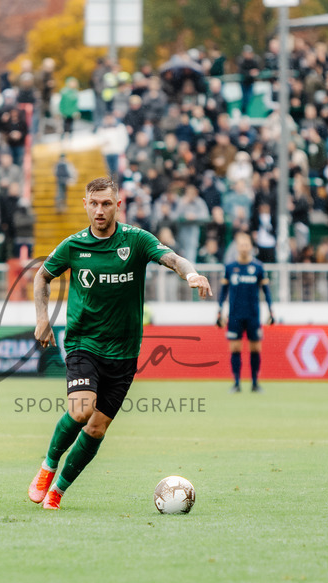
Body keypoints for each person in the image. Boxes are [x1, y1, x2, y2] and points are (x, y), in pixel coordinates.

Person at [29, 176, 212, 510]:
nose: (100, 211)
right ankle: (48, 465)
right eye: (94, 204)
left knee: (97, 429)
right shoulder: (74, 246)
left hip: (125, 352)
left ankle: (58, 490)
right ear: (85, 204)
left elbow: (173, 258)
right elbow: (42, 275)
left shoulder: (137, 240)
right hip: (85, 342)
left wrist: (191, 274)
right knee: (82, 409)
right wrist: (42, 317)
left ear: (118, 204)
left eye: (107, 204)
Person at [217, 231, 274, 393]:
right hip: (235, 315)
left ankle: (255, 383)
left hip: (253, 315)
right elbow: (223, 292)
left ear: (250, 246)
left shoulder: (258, 267)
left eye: (246, 244)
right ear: (237, 247)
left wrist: (271, 310)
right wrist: (219, 311)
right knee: (235, 348)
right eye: (241, 245)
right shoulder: (230, 267)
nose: (243, 247)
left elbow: (266, 291)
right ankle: (236, 383)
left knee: (255, 348)